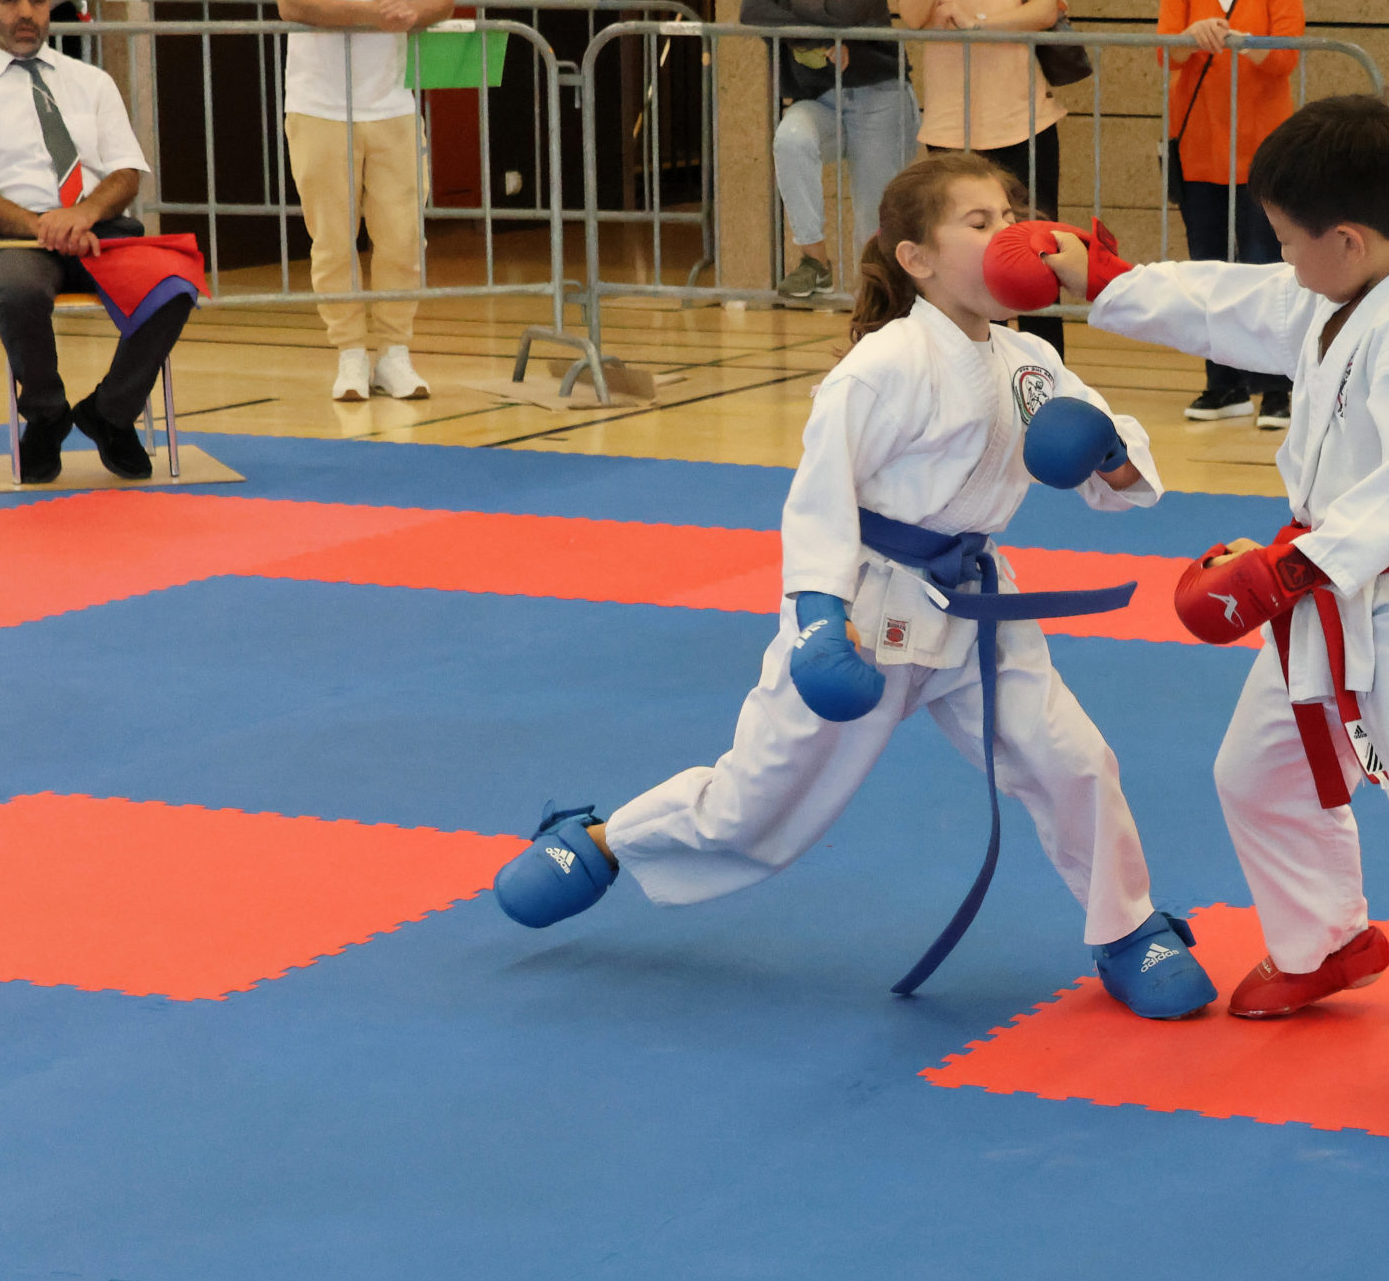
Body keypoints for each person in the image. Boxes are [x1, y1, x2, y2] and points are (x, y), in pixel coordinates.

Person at [1015, 96, 1389, 1140]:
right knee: (1254, 774)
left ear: (1344, 238)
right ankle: (1326, 943)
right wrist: (1106, 281)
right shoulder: (1346, 288)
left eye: (1289, 240)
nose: (1283, 260)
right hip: (1323, 590)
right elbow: (1230, 302)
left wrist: (1278, 572)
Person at [489, 152, 1215, 1023]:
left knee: (1072, 758)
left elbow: (1122, 478)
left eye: (1011, 217)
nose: (1008, 235)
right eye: (979, 222)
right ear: (917, 258)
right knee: (757, 807)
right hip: (870, 606)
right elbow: (820, 497)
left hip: (977, 604)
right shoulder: (884, 364)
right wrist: (819, 619)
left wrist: (1110, 449)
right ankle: (604, 840)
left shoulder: (1032, 362)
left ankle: (1129, 928)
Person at [265, 0, 453, 403]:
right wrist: (376, 13)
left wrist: (411, 10)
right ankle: (349, 353)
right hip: (318, 103)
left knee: (402, 237)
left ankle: (394, 353)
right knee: (332, 239)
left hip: (392, 102)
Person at [0, 0, 192, 483]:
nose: (25, 13)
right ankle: (46, 416)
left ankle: (110, 413)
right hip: (16, 237)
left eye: (37, 0)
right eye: (10, 0)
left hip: (97, 226)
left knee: (172, 285)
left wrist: (83, 213)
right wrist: (44, 225)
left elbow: (127, 172)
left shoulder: (90, 80)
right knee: (16, 292)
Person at [891, 0, 1071, 352]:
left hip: (1023, 119)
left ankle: (1043, 376)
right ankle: (970, 367)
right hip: (952, 125)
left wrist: (981, 24)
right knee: (960, 262)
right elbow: (914, 13)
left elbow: (1044, 7)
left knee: (1035, 256)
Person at [1159, 0, 1304, 429]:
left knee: (1268, 267)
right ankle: (1224, 385)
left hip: (1264, 148)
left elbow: (1286, 55)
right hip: (1199, 144)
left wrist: (1244, 43)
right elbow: (1166, 52)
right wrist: (1192, 38)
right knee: (1209, 268)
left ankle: (1278, 387)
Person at [742, 0, 918, 303]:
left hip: (879, 97)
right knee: (790, 140)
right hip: (821, 99)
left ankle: (879, 311)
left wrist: (792, 5)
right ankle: (815, 262)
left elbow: (847, 12)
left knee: (872, 224)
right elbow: (753, 11)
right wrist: (823, 33)